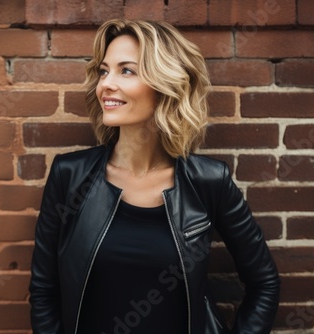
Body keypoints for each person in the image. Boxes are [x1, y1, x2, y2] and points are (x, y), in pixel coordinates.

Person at [29, 18, 280, 334]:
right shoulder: (71, 177)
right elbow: (43, 289)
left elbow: (264, 282)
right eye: (104, 70)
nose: (106, 83)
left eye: (127, 70)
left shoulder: (209, 182)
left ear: (165, 85)